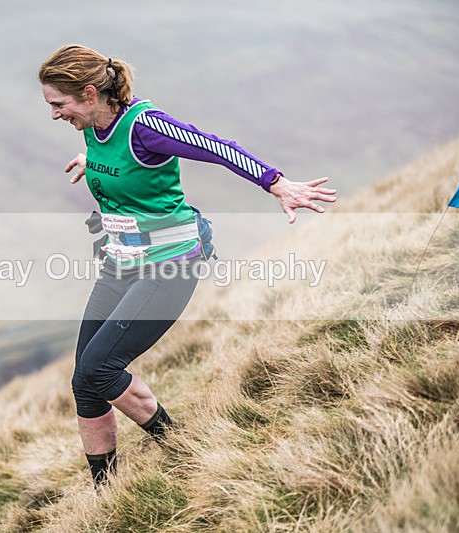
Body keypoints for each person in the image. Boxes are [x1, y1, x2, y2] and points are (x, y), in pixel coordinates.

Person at [38, 44, 336, 486]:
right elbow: (120, 163)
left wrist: (277, 183)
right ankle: (105, 490)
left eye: (59, 104)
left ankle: (179, 446)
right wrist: (91, 162)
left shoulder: (145, 126)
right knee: (84, 380)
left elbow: (217, 148)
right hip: (121, 262)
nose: (54, 114)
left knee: (100, 368)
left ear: (89, 93)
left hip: (169, 265)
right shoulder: (93, 126)